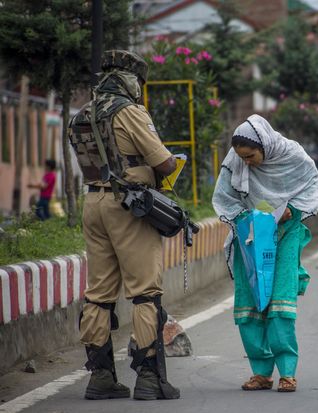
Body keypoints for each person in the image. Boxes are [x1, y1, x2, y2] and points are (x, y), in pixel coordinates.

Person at [68, 50, 179, 401]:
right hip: (129, 206)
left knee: (98, 294)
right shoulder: (129, 111)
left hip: (93, 204)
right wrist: (173, 162)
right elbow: (161, 162)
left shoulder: (81, 114)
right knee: (145, 290)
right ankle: (148, 378)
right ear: (132, 82)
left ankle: (100, 376)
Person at [212, 114, 318, 393]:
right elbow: (224, 197)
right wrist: (246, 220)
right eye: (243, 158)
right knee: (249, 304)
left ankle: (287, 372)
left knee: (280, 304)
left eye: (251, 157)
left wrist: (290, 211)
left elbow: (311, 186)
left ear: (265, 147)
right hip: (251, 237)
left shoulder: (292, 155)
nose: (246, 163)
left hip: (286, 234)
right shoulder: (235, 160)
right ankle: (260, 372)